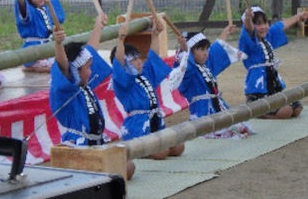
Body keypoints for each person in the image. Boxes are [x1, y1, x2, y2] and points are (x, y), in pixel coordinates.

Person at [49, 12, 135, 179]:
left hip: (96, 144)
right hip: (78, 146)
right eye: (87, 68)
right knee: (122, 170)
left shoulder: (85, 84)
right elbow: (64, 66)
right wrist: (58, 43)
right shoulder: (65, 91)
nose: (91, 71)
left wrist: (98, 26)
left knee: (129, 166)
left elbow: (90, 52)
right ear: (75, 71)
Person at [110, 18, 187, 159]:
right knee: (161, 153)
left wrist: (155, 34)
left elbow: (153, 56)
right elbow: (119, 61)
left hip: (155, 121)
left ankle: (151, 148)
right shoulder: (122, 81)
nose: (139, 62)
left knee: (178, 147)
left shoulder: (145, 74)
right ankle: (142, 152)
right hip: (137, 126)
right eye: (133, 60)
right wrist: (120, 40)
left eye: (138, 58)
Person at [175, 26, 253, 138]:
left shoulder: (206, 65)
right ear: (191, 52)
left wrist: (225, 33)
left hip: (218, 105)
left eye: (206, 49)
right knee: (220, 131)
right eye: (201, 50)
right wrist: (184, 50)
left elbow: (216, 49)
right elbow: (184, 66)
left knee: (240, 127)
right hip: (201, 110)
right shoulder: (189, 67)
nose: (206, 53)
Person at [240, 6, 308, 119]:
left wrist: (299, 17)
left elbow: (280, 26)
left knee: (297, 108)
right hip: (258, 90)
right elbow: (248, 29)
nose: (263, 27)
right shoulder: (248, 41)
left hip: (273, 86)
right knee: (286, 111)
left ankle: (271, 108)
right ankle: (259, 111)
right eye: (258, 24)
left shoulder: (267, 37)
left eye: (265, 23)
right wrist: (248, 18)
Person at [15, 0, 70, 72]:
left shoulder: (45, 8)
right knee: (56, 67)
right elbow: (22, 4)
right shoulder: (29, 11)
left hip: (47, 45)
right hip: (33, 48)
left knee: (64, 61)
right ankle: (32, 66)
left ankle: (37, 67)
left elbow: (54, 2)